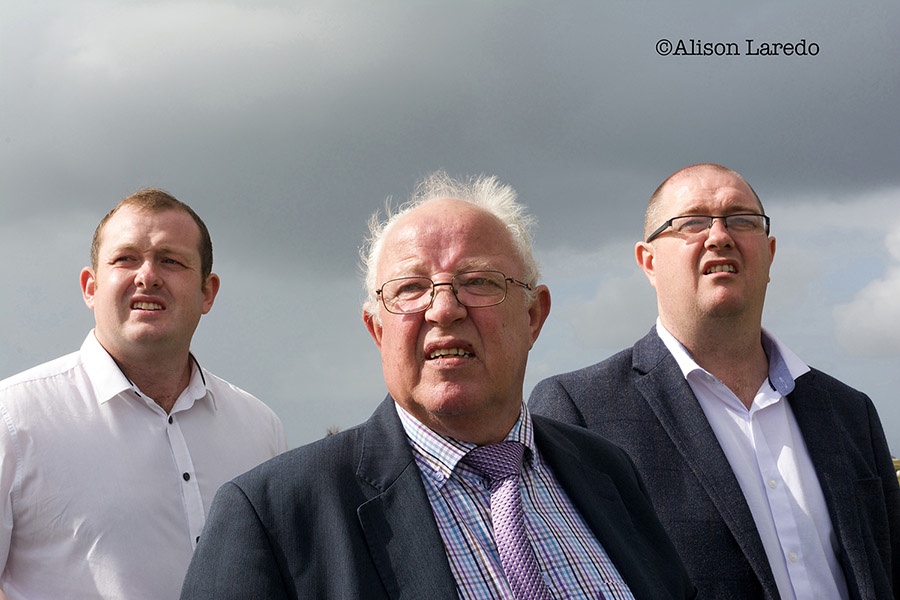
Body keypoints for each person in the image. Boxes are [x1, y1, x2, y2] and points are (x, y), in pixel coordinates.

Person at [179, 172, 695, 599]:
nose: (444, 308)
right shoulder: (273, 515)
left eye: (480, 282)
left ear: (534, 315)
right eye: (410, 288)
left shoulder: (608, 473)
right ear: (376, 329)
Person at [529, 163, 900, 599]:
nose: (720, 235)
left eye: (742, 220)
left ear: (769, 253)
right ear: (648, 261)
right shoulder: (578, 410)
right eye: (692, 222)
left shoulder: (850, 412)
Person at [0, 189, 288, 599]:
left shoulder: (260, 430)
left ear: (208, 292)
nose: (147, 275)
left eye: (170, 260)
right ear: (90, 287)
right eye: (125, 258)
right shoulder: (13, 419)